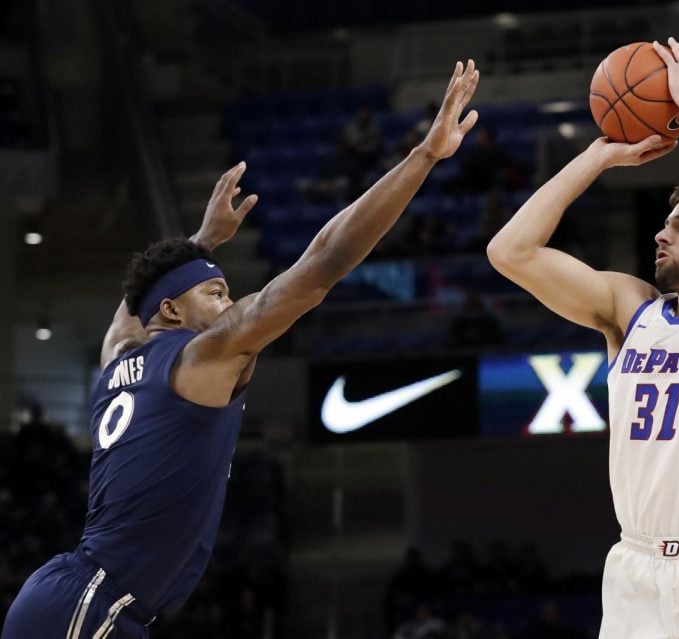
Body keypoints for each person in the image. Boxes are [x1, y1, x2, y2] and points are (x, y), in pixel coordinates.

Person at [1, 59, 480, 639]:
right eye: (215, 291)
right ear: (173, 312)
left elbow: (133, 311)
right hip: (93, 603)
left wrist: (198, 246)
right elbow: (324, 261)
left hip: (92, 602)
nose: (229, 305)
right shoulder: (200, 358)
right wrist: (424, 156)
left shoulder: (118, 360)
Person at [487, 38, 679, 638]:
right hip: (635, 571)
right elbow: (509, 251)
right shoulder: (630, 312)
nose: (662, 235)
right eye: (663, 223)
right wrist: (599, 157)